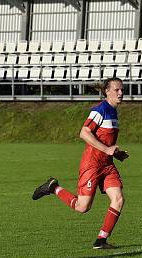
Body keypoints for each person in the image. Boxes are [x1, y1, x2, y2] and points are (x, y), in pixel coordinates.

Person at [32, 77, 129, 249]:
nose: (121, 93)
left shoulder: (114, 111)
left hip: (106, 165)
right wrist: (107, 150)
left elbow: (105, 141)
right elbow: (84, 133)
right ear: (107, 91)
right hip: (92, 164)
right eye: (117, 90)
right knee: (82, 207)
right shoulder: (100, 110)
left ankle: (101, 240)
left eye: (122, 89)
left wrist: (115, 153)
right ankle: (53, 187)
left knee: (118, 199)